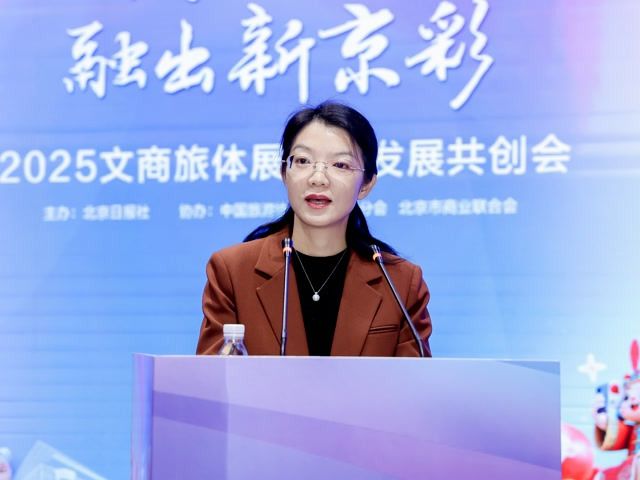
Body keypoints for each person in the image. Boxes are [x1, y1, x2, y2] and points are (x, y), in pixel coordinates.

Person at [196, 101, 432, 357]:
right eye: (303, 161)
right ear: (284, 173)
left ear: (366, 185)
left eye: (340, 165)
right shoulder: (232, 272)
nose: (318, 178)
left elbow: (413, 380)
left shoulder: (400, 283)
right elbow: (212, 377)